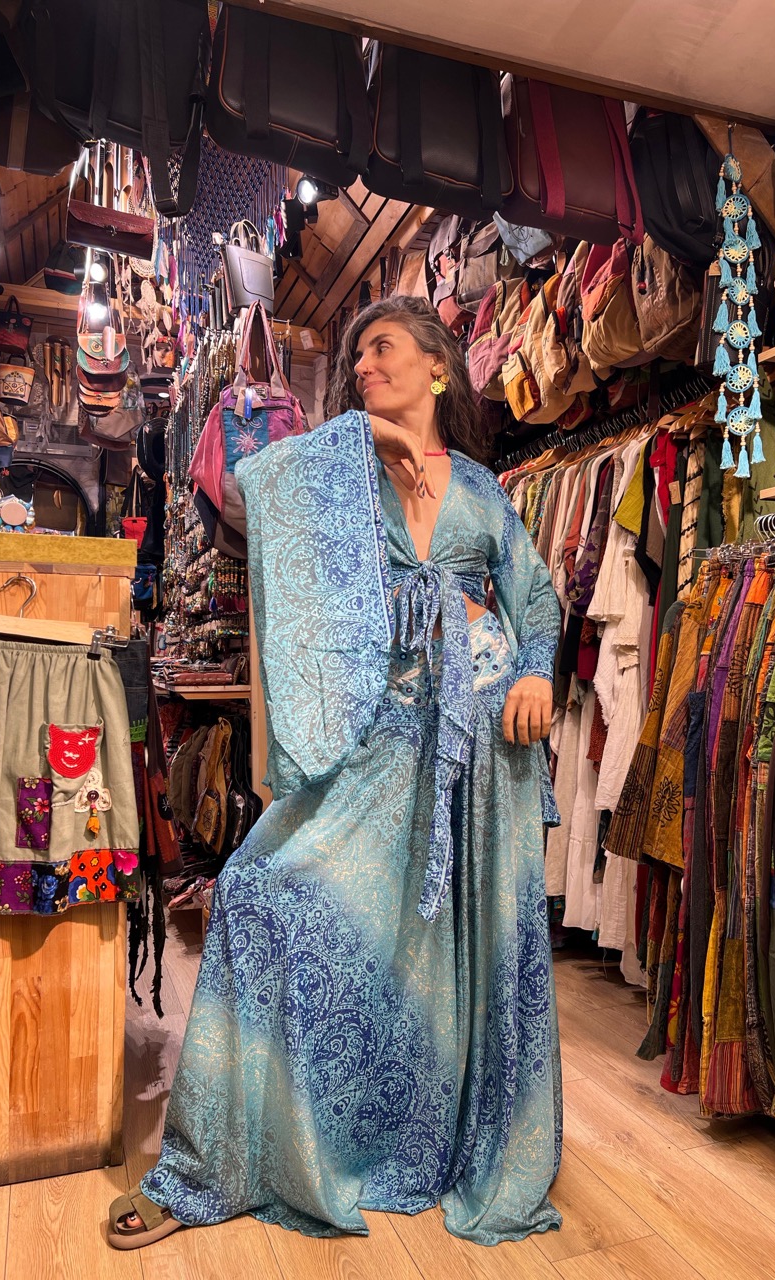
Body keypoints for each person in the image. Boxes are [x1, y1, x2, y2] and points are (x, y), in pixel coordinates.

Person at [107, 296, 563, 1250]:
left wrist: (533, 669)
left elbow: (536, 599)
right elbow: (246, 486)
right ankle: (217, 1159)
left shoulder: (484, 490)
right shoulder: (338, 472)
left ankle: (433, 1135)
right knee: (256, 891)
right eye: (355, 355)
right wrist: (362, 437)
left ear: (438, 367)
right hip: (374, 736)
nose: (362, 365)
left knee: (452, 949)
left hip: (482, 750)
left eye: (381, 350)